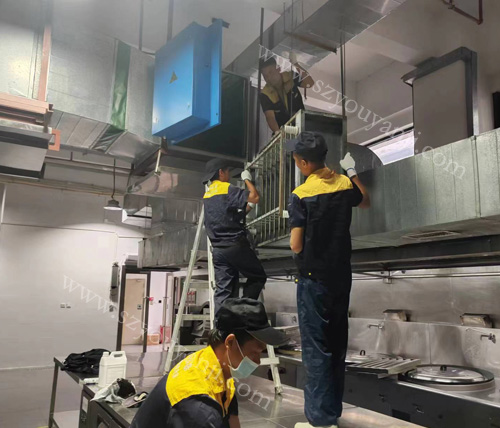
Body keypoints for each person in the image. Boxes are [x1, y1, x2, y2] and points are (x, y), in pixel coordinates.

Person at [284, 132, 371, 428]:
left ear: (304, 163)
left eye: (296, 160)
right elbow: (364, 200)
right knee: (336, 345)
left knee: (316, 349)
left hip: (313, 280)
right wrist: (351, 171)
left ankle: (320, 421)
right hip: (341, 278)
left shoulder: (300, 194)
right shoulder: (344, 184)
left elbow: (296, 244)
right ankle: (331, 414)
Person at [130, 298, 288, 428]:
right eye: (254, 352)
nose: (258, 361)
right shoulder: (198, 409)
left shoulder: (213, 366)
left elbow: (232, 420)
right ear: (230, 342)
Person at [202, 158, 267, 315]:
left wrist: (247, 209)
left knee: (224, 290)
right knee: (258, 276)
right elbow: (255, 197)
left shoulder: (208, 194)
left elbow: (227, 217)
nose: (229, 175)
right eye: (228, 171)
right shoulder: (226, 188)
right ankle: (242, 313)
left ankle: (221, 325)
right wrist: (247, 180)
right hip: (235, 246)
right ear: (221, 172)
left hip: (218, 251)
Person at [260, 53, 314, 133]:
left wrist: (296, 64)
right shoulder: (265, 94)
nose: (269, 78)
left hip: (302, 127)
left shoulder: (290, 76)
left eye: (271, 72)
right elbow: (270, 117)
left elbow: (309, 83)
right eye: (265, 76)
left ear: (278, 69)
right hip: (285, 133)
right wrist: (277, 132)